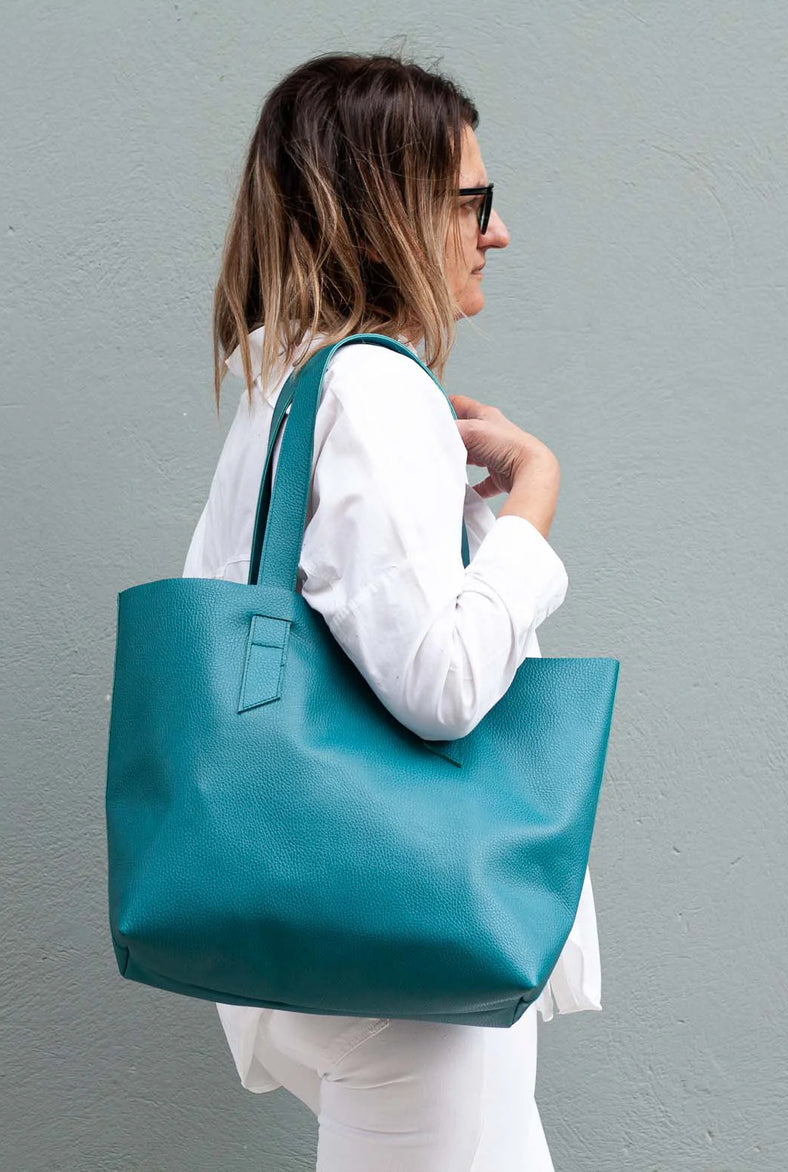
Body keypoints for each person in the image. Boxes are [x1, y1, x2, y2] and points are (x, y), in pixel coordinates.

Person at [180, 51, 600, 1171]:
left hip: (338, 942)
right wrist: (536, 501)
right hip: (410, 972)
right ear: (388, 206)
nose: (495, 232)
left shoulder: (290, 380)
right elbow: (443, 682)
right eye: (473, 201)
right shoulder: (372, 390)